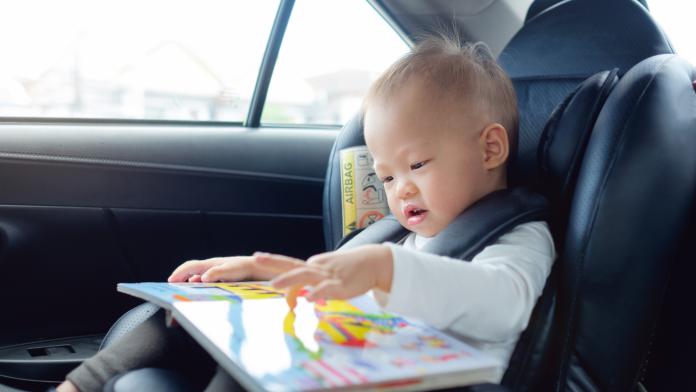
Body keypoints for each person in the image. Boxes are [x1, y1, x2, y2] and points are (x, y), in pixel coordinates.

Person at [57, 34, 555, 391]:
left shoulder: (517, 236)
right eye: (386, 177)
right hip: (344, 352)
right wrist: (261, 271)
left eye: (418, 164)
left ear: (491, 149)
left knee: (251, 364)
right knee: (180, 315)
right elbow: (346, 290)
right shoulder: (404, 237)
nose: (400, 189)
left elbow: (504, 303)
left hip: (403, 378)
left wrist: (384, 269)